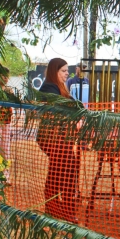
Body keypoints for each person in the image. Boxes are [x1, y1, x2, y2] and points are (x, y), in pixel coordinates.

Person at [36, 58, 81, 221]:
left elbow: (70, 103)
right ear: (54, 71)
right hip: (52, 138)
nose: (66, 73)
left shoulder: (60, 86)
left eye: (67, 70)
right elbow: (62, 105)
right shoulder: (49, 87)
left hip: (61, 138)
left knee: (62, 170)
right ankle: (60, 209)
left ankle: (58, 208)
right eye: (63, 70)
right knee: (62, 170)